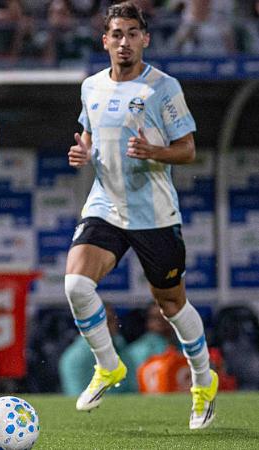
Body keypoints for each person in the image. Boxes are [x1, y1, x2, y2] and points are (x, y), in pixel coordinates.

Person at [65, 1, 217, 430]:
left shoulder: (163, 87)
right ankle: (108, 364)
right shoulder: (91, 86)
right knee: (76, 284)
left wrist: (155, 151)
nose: (125, 42)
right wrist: (83, 151)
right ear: (105, 40)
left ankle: (203, 381)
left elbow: (187, 150)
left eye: (133, 34)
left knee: (171, 304)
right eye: (117, 34)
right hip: (106, 205)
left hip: (154, 213)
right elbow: (90, 137)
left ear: (145, 39)